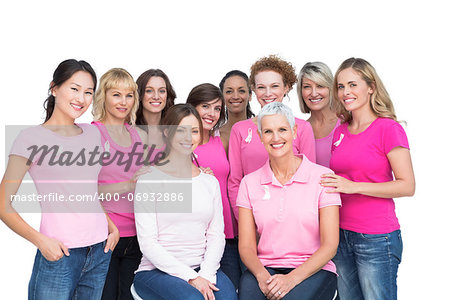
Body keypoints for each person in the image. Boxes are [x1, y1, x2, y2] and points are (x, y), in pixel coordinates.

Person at [0, 59, 119, 299]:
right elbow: (3, 205)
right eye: (74, 89)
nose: (81, 98)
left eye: (88, 92)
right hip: (60, 253)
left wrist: (112, 228)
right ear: (54, 88)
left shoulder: (94, 133)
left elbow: (89, 192)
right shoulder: (30, 138)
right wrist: (41, 241)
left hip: (100, 250)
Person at [321, 57, 416, 300]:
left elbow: (407, 185)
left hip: (376, 238)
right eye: (341, 87)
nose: (345, 92)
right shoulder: (341, 130)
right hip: (340, 235)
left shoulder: (388, 129)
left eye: (353, 84)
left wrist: (353, 187)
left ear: (371, 87)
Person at [133, 104, 237, 300]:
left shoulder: (209, 182)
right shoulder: (149, 180)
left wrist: (205, 274)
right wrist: (191, 278)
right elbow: (148, 243)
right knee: (193, 299)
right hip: (156, 271)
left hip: (202, 267)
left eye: (194, 131)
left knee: (228, 298)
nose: (188, 138)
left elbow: (216, 236)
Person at [238, 102, 340, 300]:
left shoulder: (323, 177)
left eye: (282, 129)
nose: (276, 138)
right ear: (260, 137)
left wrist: (291, 279)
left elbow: (330, 245)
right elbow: (247, 247)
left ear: (294, 132)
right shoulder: (249, 183)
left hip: (313, 269)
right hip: (266, 268)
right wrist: (262, 276)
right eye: (268, 131)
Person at [228, 55, 316, 220]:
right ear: (253, 90)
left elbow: (310, 179)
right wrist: (245, 224)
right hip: (252, 217)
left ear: (286, 88)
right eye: (261, 87)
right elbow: (235, 183)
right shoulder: (239, 130)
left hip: (294, 218)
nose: (268, 93)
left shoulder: (302, 128)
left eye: (274, 86)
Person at [92, 68, 147, 300]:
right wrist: (128, 185)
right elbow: (84, 191)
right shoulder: (93, 134)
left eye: (129, 95)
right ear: (104, 96)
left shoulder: (137, 136)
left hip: (138, 237)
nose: (123, 102)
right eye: (116, 94)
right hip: (105, 236)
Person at [186, 83, 240, 290]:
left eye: (217, 108)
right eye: (205, 107)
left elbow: (233, 181)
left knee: (231, 290)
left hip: (227, 231)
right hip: (195, 237)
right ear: (193, 108)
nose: (212, 113)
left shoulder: (223, 140)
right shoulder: (181, 142)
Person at [297, 62, 340, 167]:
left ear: (331, 88)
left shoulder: (348, 122)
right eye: (307, 87)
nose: (314, 93)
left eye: (320, 86)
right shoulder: (298, 129)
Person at [136, 68, 176, 150]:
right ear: (140, 94)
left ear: (167, 95)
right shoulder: (127, 129)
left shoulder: (174, 129)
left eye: (162, 91)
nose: (156, 97)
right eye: (149, 91)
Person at [218, 70, 255, 154]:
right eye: (229, 91)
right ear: (222, 96)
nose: (235, 96)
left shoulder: (261, 131)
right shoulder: (214, 135)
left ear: (250, 96)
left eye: (241, 91)